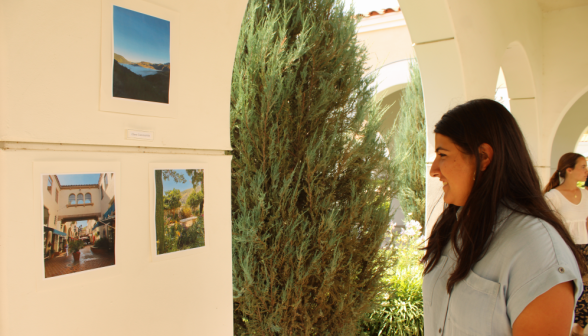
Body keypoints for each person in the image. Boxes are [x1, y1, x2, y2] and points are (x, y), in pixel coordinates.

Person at [424, 99, 586, 336]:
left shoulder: (538, 252)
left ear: (484, 157)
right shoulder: (452, 226)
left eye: (443, 154)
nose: (434, 169)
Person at [544, 153, 588, 336]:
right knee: (567, 291)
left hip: (586, 248)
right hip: (564, 250)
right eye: (583, 166)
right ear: (569, 170)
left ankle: (578, 328)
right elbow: (545, 227)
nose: (586, 171)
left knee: (586, 292)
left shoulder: (586, 195)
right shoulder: (552, 197)